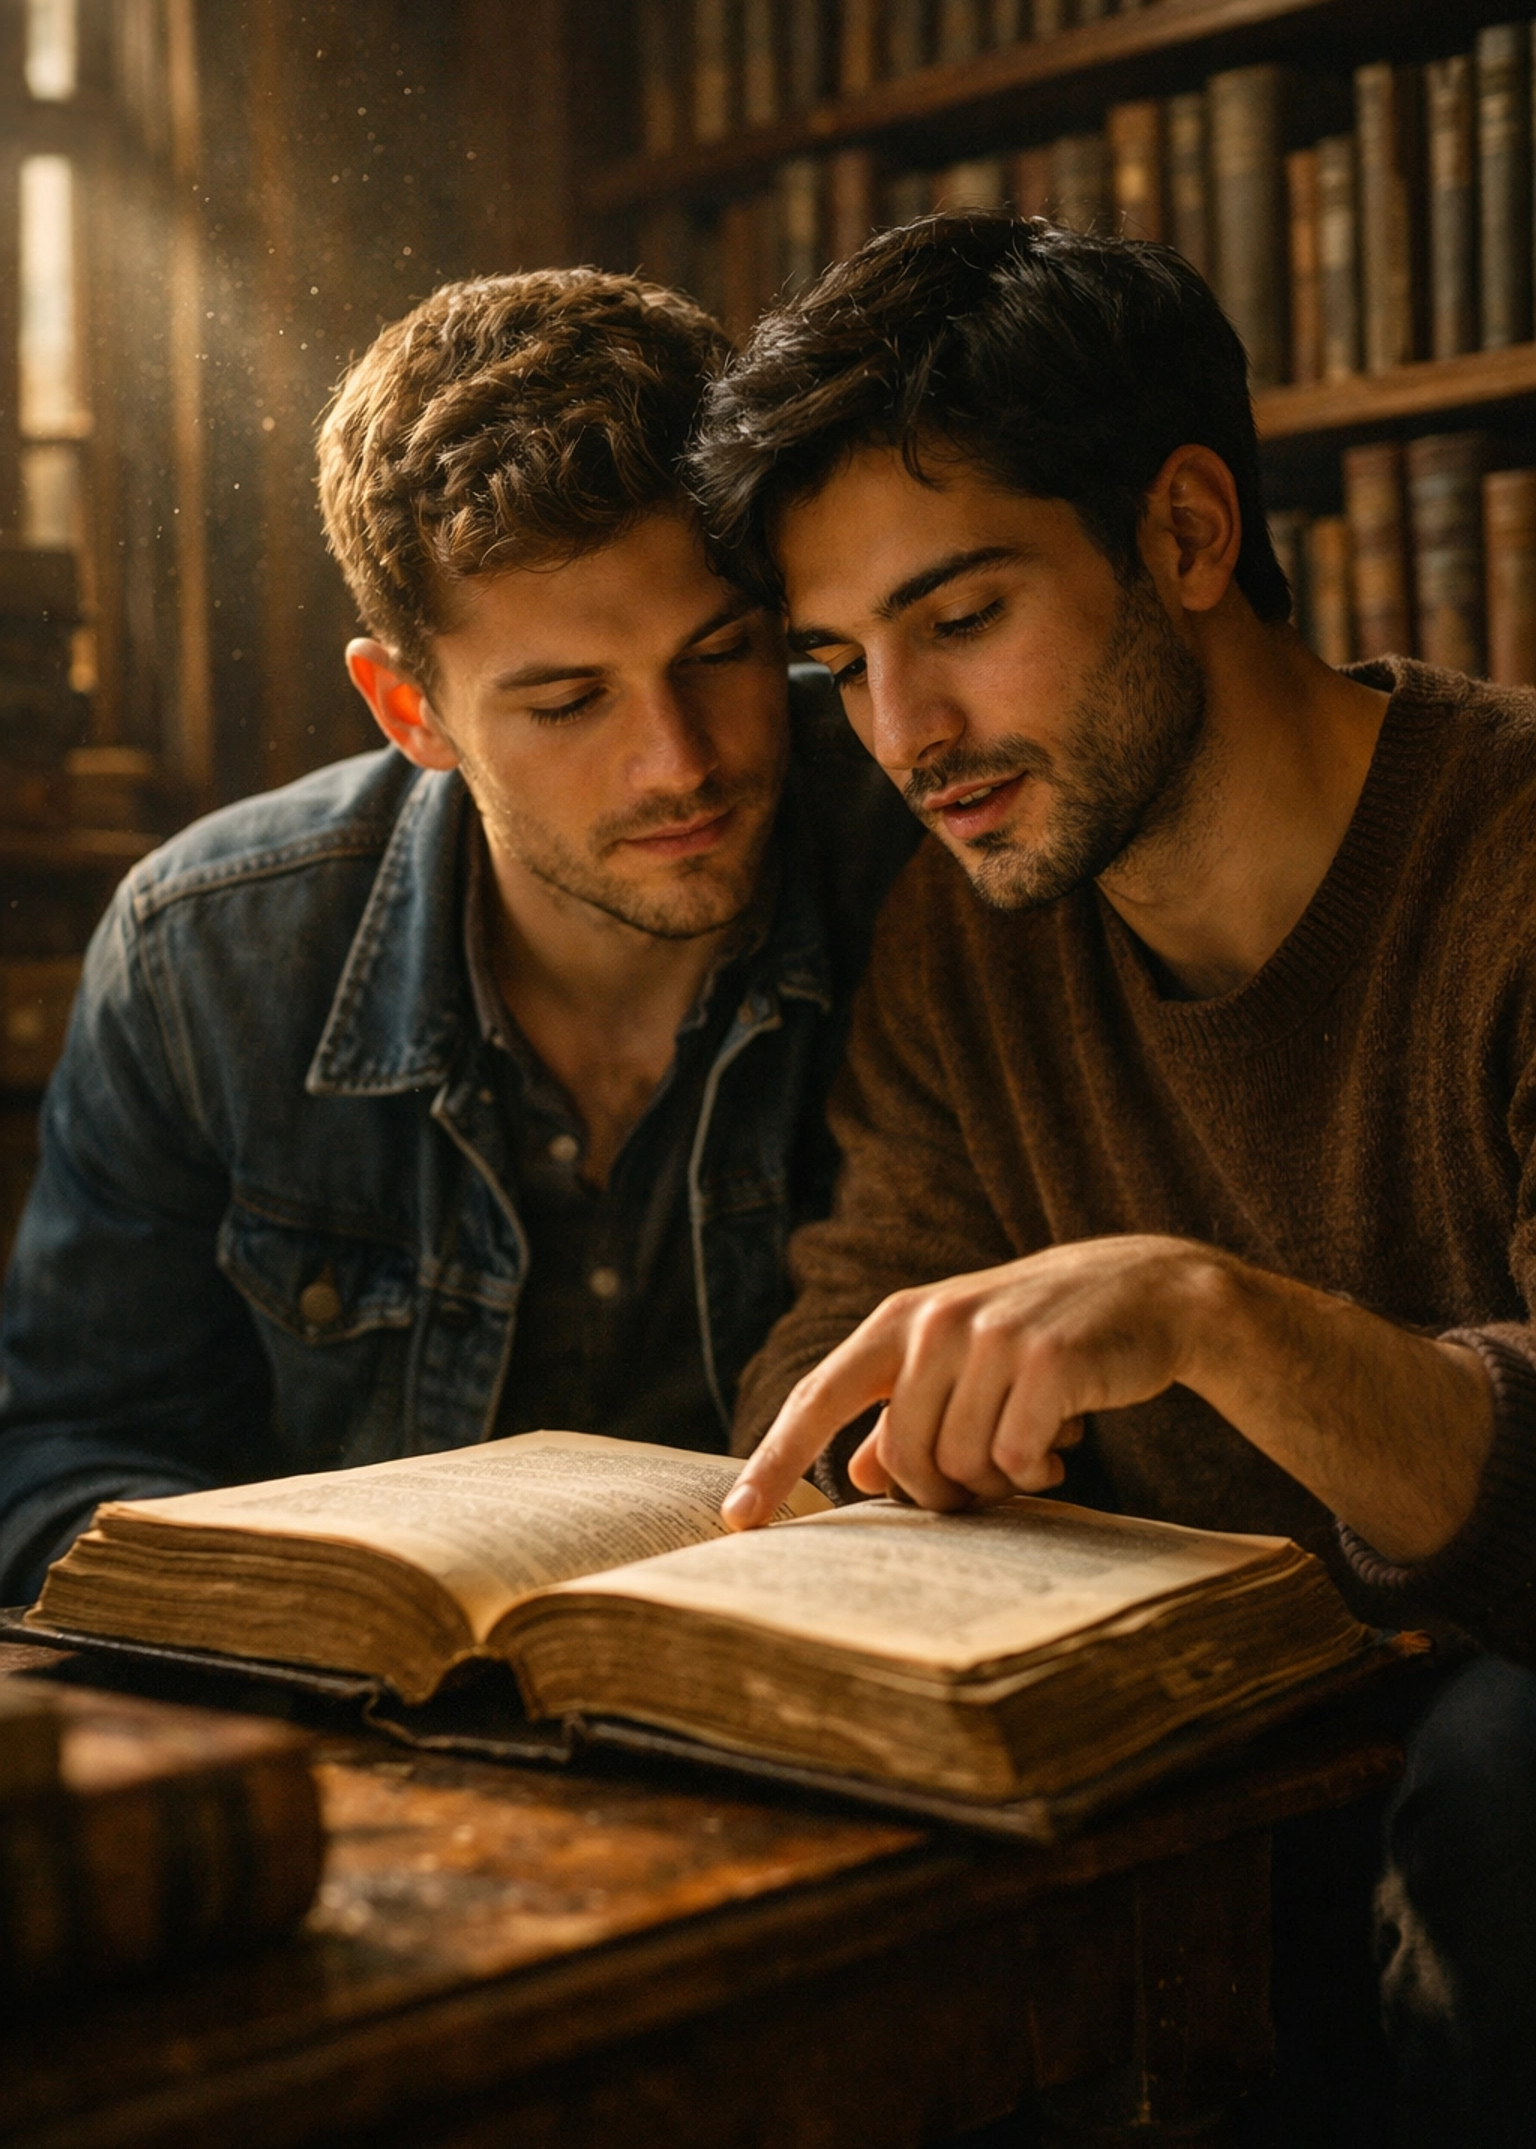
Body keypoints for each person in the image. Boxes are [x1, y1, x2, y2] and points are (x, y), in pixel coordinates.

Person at [688, 212, 1536, 2145]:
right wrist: (905, 1445)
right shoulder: (967, 941)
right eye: (843, 664)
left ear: (1188, 533)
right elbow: (831, 1360)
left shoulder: (1511, 858)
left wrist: (1209, 1316)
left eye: (961, 618)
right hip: (1222, 1823)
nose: (905, 737)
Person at [0, 268, 914, 1605]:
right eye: (568, 703)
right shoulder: (203, 957)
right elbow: (59, 1461)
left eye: (722, 654)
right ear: (408, 710)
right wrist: (316, 1624)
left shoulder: (923, 844)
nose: (679, 763)